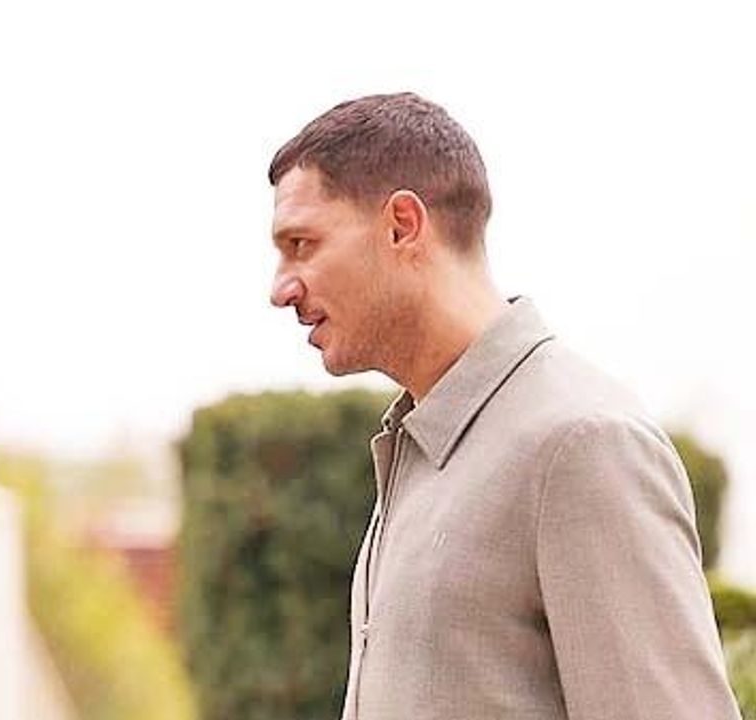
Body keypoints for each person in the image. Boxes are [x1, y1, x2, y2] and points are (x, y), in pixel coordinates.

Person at [267, 92, 739, 720]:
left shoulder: (582, 444)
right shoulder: (420, 446)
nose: (280, 288)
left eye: (301, 243)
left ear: (402, 225)